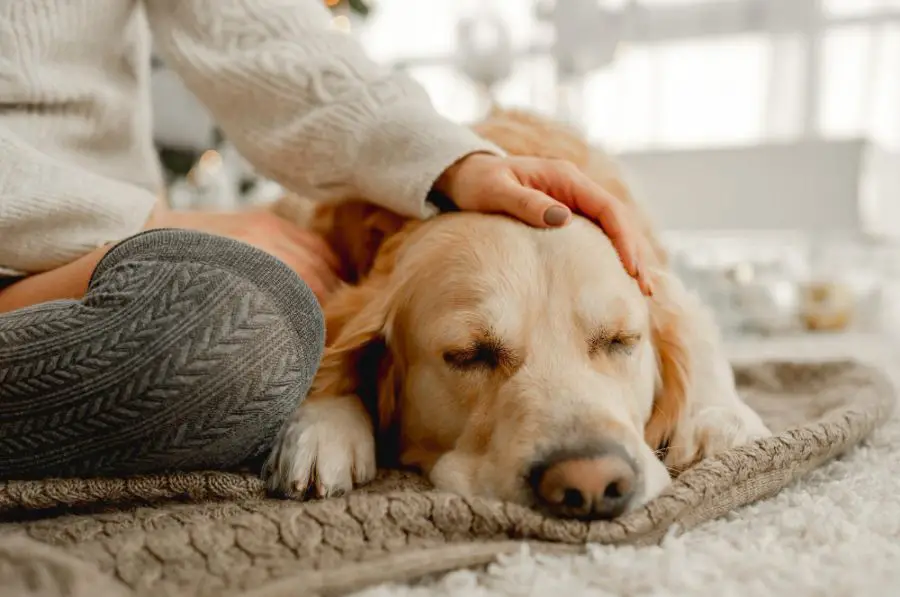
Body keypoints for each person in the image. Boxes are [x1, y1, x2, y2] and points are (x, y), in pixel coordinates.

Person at [0, 0, 650, 481]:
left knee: (252, 323)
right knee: (230, 332)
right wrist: (148, 226)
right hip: (116, 240)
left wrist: (452, 163)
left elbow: (262, 37)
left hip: (115, 270)